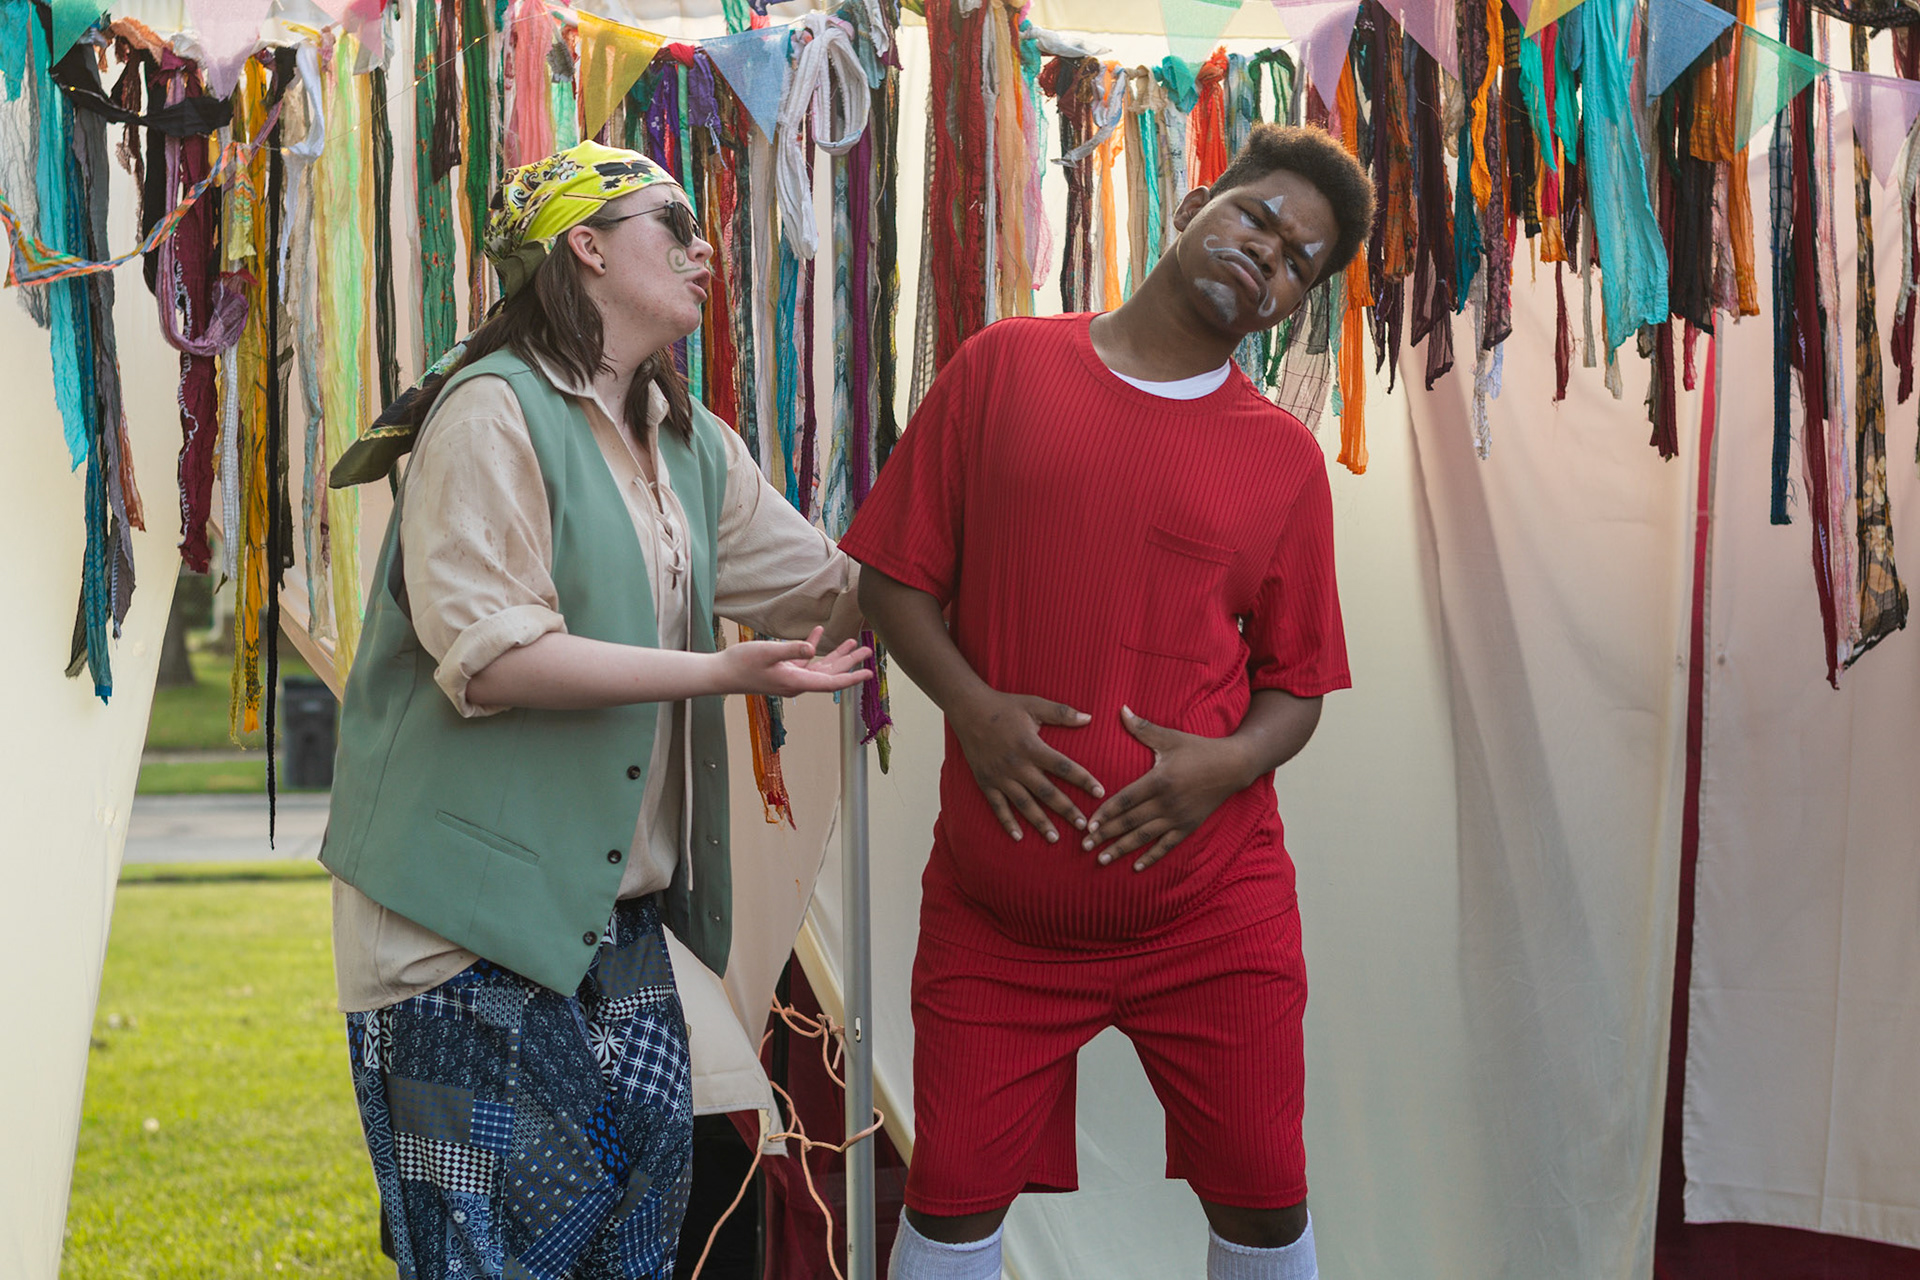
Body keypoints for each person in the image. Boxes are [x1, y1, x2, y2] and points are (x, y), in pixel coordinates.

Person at [320, 141, 870, 1280]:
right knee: (486, 1261)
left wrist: (987, 513)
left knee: (636, 1245)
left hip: (614, 932)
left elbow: (834, 589)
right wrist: (721, 672)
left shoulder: (687, 440)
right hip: (456, 930)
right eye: (674, 223)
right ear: (585, 246)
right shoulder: (490, 411)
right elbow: (494, 658)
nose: (704, 249)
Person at [837, 123, 1376, 1280]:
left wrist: (1225, 765)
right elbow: (892, 576)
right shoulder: (1003, 367)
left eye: (1299, 262)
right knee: (950, 1200)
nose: (1267, 256)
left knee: (1264, 1201)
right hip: (998, 912)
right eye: (1257, 218)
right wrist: (974, 708)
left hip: (1211, 912)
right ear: (1193, 203)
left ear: (1296, 302)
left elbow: (1296, 686)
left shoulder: (1282, 458)